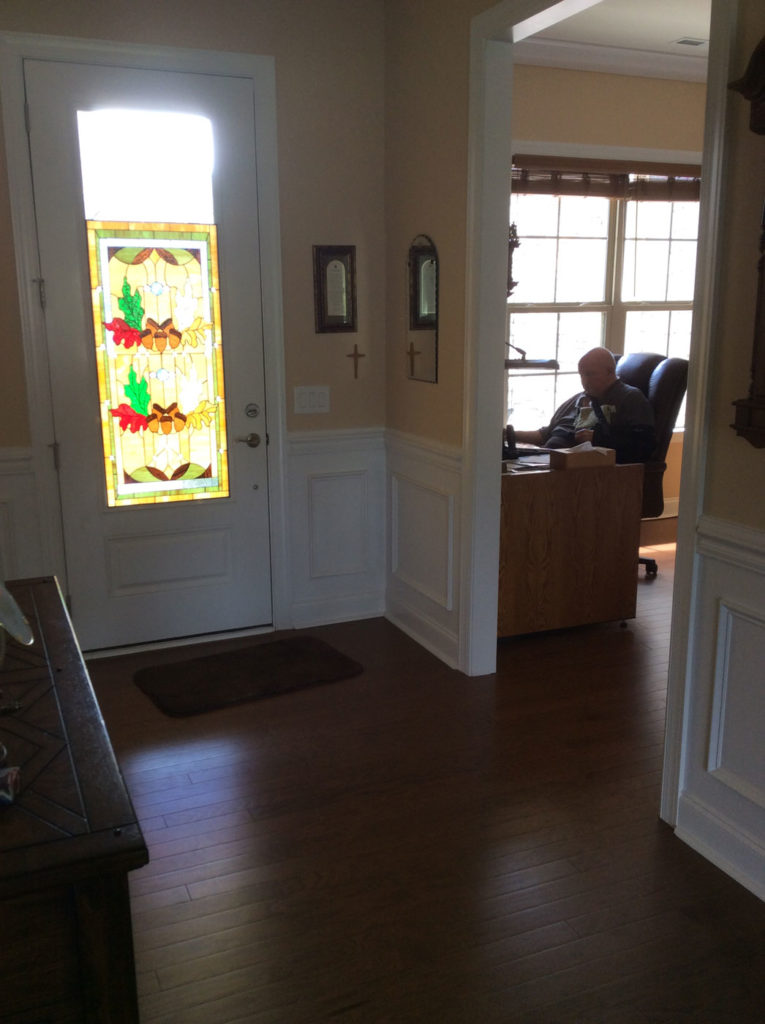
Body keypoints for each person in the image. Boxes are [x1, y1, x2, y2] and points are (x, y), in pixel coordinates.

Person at [509, 348, 656, 463]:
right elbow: (543, 435)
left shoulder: (630, 398)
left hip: (582, 472)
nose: (584, 381)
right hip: (545, 460)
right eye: (581, 375)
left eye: (590, 374)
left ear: (610, 371)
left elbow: (643, 446)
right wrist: (506, 434)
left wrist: (596, 438)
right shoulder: (576, 399)